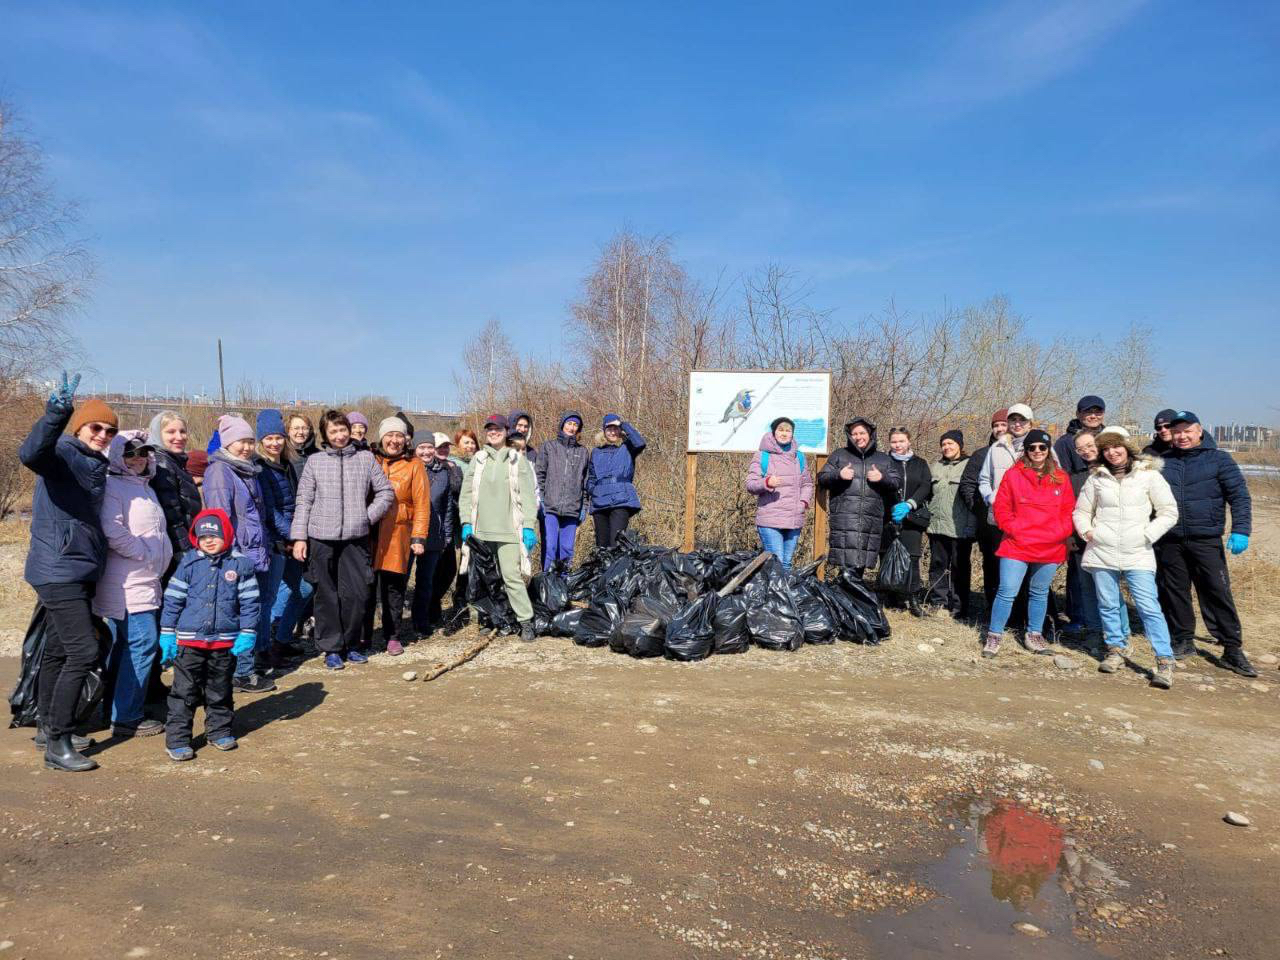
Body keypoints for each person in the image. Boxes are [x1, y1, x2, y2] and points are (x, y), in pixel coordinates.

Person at [20, 372, 115, 772]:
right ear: (81, 427)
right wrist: (57, 413)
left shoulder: (95, 463)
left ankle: (48, 726)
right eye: (96, 427)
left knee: (59, 652)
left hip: (74, 568)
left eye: (110, 431)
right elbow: (32, 454)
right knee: (84, 651)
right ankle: (58, 743)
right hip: (57, 569)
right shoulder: (63, 452)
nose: (103, 435)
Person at [1073, 427, 1179, 688]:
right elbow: (1081, 511)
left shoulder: (1148, 475)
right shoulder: (1096, 477)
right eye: (1106, 448)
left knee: (1148, 607)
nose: (1112, 452)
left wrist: (1147, 535)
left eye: (1116, 446)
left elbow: (1168, 511)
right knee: (1108, 604)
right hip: (1102, 551)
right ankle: (1116, 649)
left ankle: (1164, 660)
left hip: (1137, 552)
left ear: (1127, 447)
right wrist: (1088, 531)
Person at [290, 410, 395, 670]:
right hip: (320, 538)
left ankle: (351, 643)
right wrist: (299, 537)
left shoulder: (365, 458)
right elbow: (303, 500)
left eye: (342, 429)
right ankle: (331, 648)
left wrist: (366, 517)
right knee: (326, 595)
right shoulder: (315, 461)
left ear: (350, 430)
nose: (339, 435)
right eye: (333, 431)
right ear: (325, 434)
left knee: (358, 594)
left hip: (355, 538)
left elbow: (385, 492)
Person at [1154, 411, 1256, 676]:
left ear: (1199, 431)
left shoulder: (1219, 459)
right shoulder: (1162, 462)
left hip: (1206, 539)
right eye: (1177, 431)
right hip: (1170, 540)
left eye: (1187, 430)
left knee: (1216, 591)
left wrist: (1241, 530)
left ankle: (1232, 648)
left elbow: (1240, 497)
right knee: (1175, 592)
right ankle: (1183, 640)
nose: (1182, 436)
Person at [158, 509, 259, 761]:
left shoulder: (241, 565)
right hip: (189, 642)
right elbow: (172, 601)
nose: (209, 541)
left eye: (214, 536)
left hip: (224, 642)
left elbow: (250, 603)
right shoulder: (188, 564)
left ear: (226, 535)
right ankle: (178, 738)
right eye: (203, 537)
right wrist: (168, 632)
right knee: (184, 691)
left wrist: (248, 632)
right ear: (196, 539)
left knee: (220, 688)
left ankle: (219, 730)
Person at [94, 431, 172, 738]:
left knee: (126, 645)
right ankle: (127, 716)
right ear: (117, 457)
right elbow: (112, 530)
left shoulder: (143, 486)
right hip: (127, 581)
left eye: (142, 453)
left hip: (144, 578)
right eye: (130, 454)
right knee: (142, 643)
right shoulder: (114, 485)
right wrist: (144, 554)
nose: (137, 459)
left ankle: (114, 709)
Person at [983, 429, 1075, 658]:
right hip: (1017, 544)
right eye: (1032, 447)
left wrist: (1059, 532)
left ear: (1048, 450)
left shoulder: (1061, 477)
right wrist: (1014, 529)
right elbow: (1001, 508)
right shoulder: (1014, 475)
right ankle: (994, 636)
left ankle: (1034, 634)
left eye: (1041, 447)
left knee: (1039, 592)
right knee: (1006, 591)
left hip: (1050, 545)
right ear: (1026, 450)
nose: (1037, 451)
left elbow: (1068, 511)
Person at [202, 414, 274, 694]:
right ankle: (241, 673)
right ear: (228, 442)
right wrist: (229, 556)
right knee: (242, 613)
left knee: (250, 612)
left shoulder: (247, 469)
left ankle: (245, 666)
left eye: (249, 441)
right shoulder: (220, 471)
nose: (246, 447)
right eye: (240, 442)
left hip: (254, 551)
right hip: (238, 554)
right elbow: (220, 519)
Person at [458, 414, 539, 641]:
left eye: (497, 429)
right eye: (489, 429)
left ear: (506, 431)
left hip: (509, 531)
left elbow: (528, 497)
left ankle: (525, 621)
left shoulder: (516, 459)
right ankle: (488, 619)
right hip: (481, 531)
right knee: (482, 579)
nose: (493, 432)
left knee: (512, 576)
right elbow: (466, 495)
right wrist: (466, 522)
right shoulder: (479, 459)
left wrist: (529, 526)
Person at [369, 417, 429, 655]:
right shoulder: (370, 459)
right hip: (370, 530)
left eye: (399, 436)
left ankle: (392, 635)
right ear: (381, 437)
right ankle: (364, 635)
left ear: (406, 439)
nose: (394, 440)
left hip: (399, 531)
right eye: (389, 435)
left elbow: (422, 503)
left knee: (394, 587)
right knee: (367, 586)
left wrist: (419, 537)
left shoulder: (414, 464)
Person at [253, 409, 301, 667]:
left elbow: (293, 503)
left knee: (303, 588)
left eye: (278, 437)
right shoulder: (261, 468)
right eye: (269, 438)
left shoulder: (286, 465)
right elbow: (270, 511)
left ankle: (279, 640)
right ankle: (264, 649)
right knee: (268, 597)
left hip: (290, 539)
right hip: (274, 542)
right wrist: (296, 534)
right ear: (261, 440)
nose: (275, 443)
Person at [817, 418, 896, 577]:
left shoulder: (883, 459)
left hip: (870, 520)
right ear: (849, 436)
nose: (859, 437)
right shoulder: (840, 455)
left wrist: (881, 477)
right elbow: (822, 478)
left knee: (859, 564)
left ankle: (850, 598)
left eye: (862, 433)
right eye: (854, 433)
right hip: (845, 519)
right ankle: (845, 598)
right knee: (846, 564)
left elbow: (896, 482)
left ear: (870, 434)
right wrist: (838, 474)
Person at [745, 417, 814, 570]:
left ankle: (781, 594)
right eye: (780, 430)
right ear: (774, 432)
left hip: (794, 518)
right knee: (777, 564)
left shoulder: (799, 457)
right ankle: (774, 593)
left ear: (792, 434)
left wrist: (802, 503)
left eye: (788, 430)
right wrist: (766, 482)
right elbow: (750, 484)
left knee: (787, 564)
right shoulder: (763, 456)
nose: (784, 433)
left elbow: (807, 484)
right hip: (770, 520)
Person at [959, 409, 1008, 620]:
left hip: (1019, 524)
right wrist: (979, 509)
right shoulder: (982, 454)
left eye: (1003, 424)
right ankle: (992, 608)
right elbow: (968, 483)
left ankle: (1016, 613)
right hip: (989, 524)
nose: (999, 429)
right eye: (995, 425)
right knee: (992, 566)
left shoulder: (1024, 452)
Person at [879, 427, 933, 613]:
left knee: (912, 558)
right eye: (894, 441)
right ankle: (890, 595)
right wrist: (892, 505)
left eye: (901, 441)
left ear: (909, 441)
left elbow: (926, 486)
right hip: (888, 516)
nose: (897, 445)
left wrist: (910, 504)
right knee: (887, 555)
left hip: (911, 517)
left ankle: (913, 598)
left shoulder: (920, 463)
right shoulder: (883, 462)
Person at [926, 430, 976, 620]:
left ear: (960, 445)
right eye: (944, 444)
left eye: (951, 444)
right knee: (938, 565)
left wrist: (972, 526)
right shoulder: (935, 466)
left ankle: (959, 606)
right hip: (936, 525)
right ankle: (938, 602)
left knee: (959, 567)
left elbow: (974, 497)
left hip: (959, 527)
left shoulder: (969, 466)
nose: (947, 447)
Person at [410, 433, 458, 635]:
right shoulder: (408, 468)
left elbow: (447, 507)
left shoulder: (443, 472)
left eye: (430, 447)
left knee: (426, 580)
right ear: (414, 449)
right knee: (401, 581)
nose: (426, 451)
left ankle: (421, 622)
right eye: (422, 447)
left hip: (434, 534)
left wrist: (446, 534)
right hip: (407, 533)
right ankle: (393, 626)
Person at [535, 413, 591, 571]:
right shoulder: (549, 447)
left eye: (575, 425)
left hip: (572, 509)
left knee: (567, 550)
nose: (572, 427)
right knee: (550, 548)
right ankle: (548, 582)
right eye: (569, 423)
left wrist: (584, 507)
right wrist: (541, 499)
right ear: (562, 424)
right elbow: (539, 474)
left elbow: (586, 482)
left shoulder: (583, 452)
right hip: (550, 506)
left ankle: (562, 584)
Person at [146, 411, 202, 564]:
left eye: (182, 431)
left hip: (189, 542)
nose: (179, 437)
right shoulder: (161, 464)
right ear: (158, 434)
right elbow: (171, 513)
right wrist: (185, 552)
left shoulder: (175, 462)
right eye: (171, 432)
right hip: (177, 551)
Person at [587, 415, 647, 549]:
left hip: (621, 500)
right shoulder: (596, 452)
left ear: (620, 430)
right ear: (604, 431)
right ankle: (604, 570)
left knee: (616, 544)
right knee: (601, 546)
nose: (613, 432)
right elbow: (591, 476)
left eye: (616, 429)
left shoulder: (628, 447)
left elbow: (640, 443)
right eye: (609, 429)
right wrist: (592, 490)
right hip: (599, 501)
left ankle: (617, 569)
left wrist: (623, 424)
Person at [437, 429, 479, 618]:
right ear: (458, 445)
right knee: (452, 561)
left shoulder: (480, 461)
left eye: (472, 442)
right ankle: (454, 598)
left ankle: (466, 595)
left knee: (468, 558)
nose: (469, 446)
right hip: (455, 518)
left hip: (476, 516)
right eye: (465, 442)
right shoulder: (453, 464)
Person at [1054, 395, 1107, 475]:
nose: (1093, 416)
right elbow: (1060, 476)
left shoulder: (1109, 438)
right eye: (1088, 412)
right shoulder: (1064, 443)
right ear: (1078, 414)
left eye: (1098, 412)